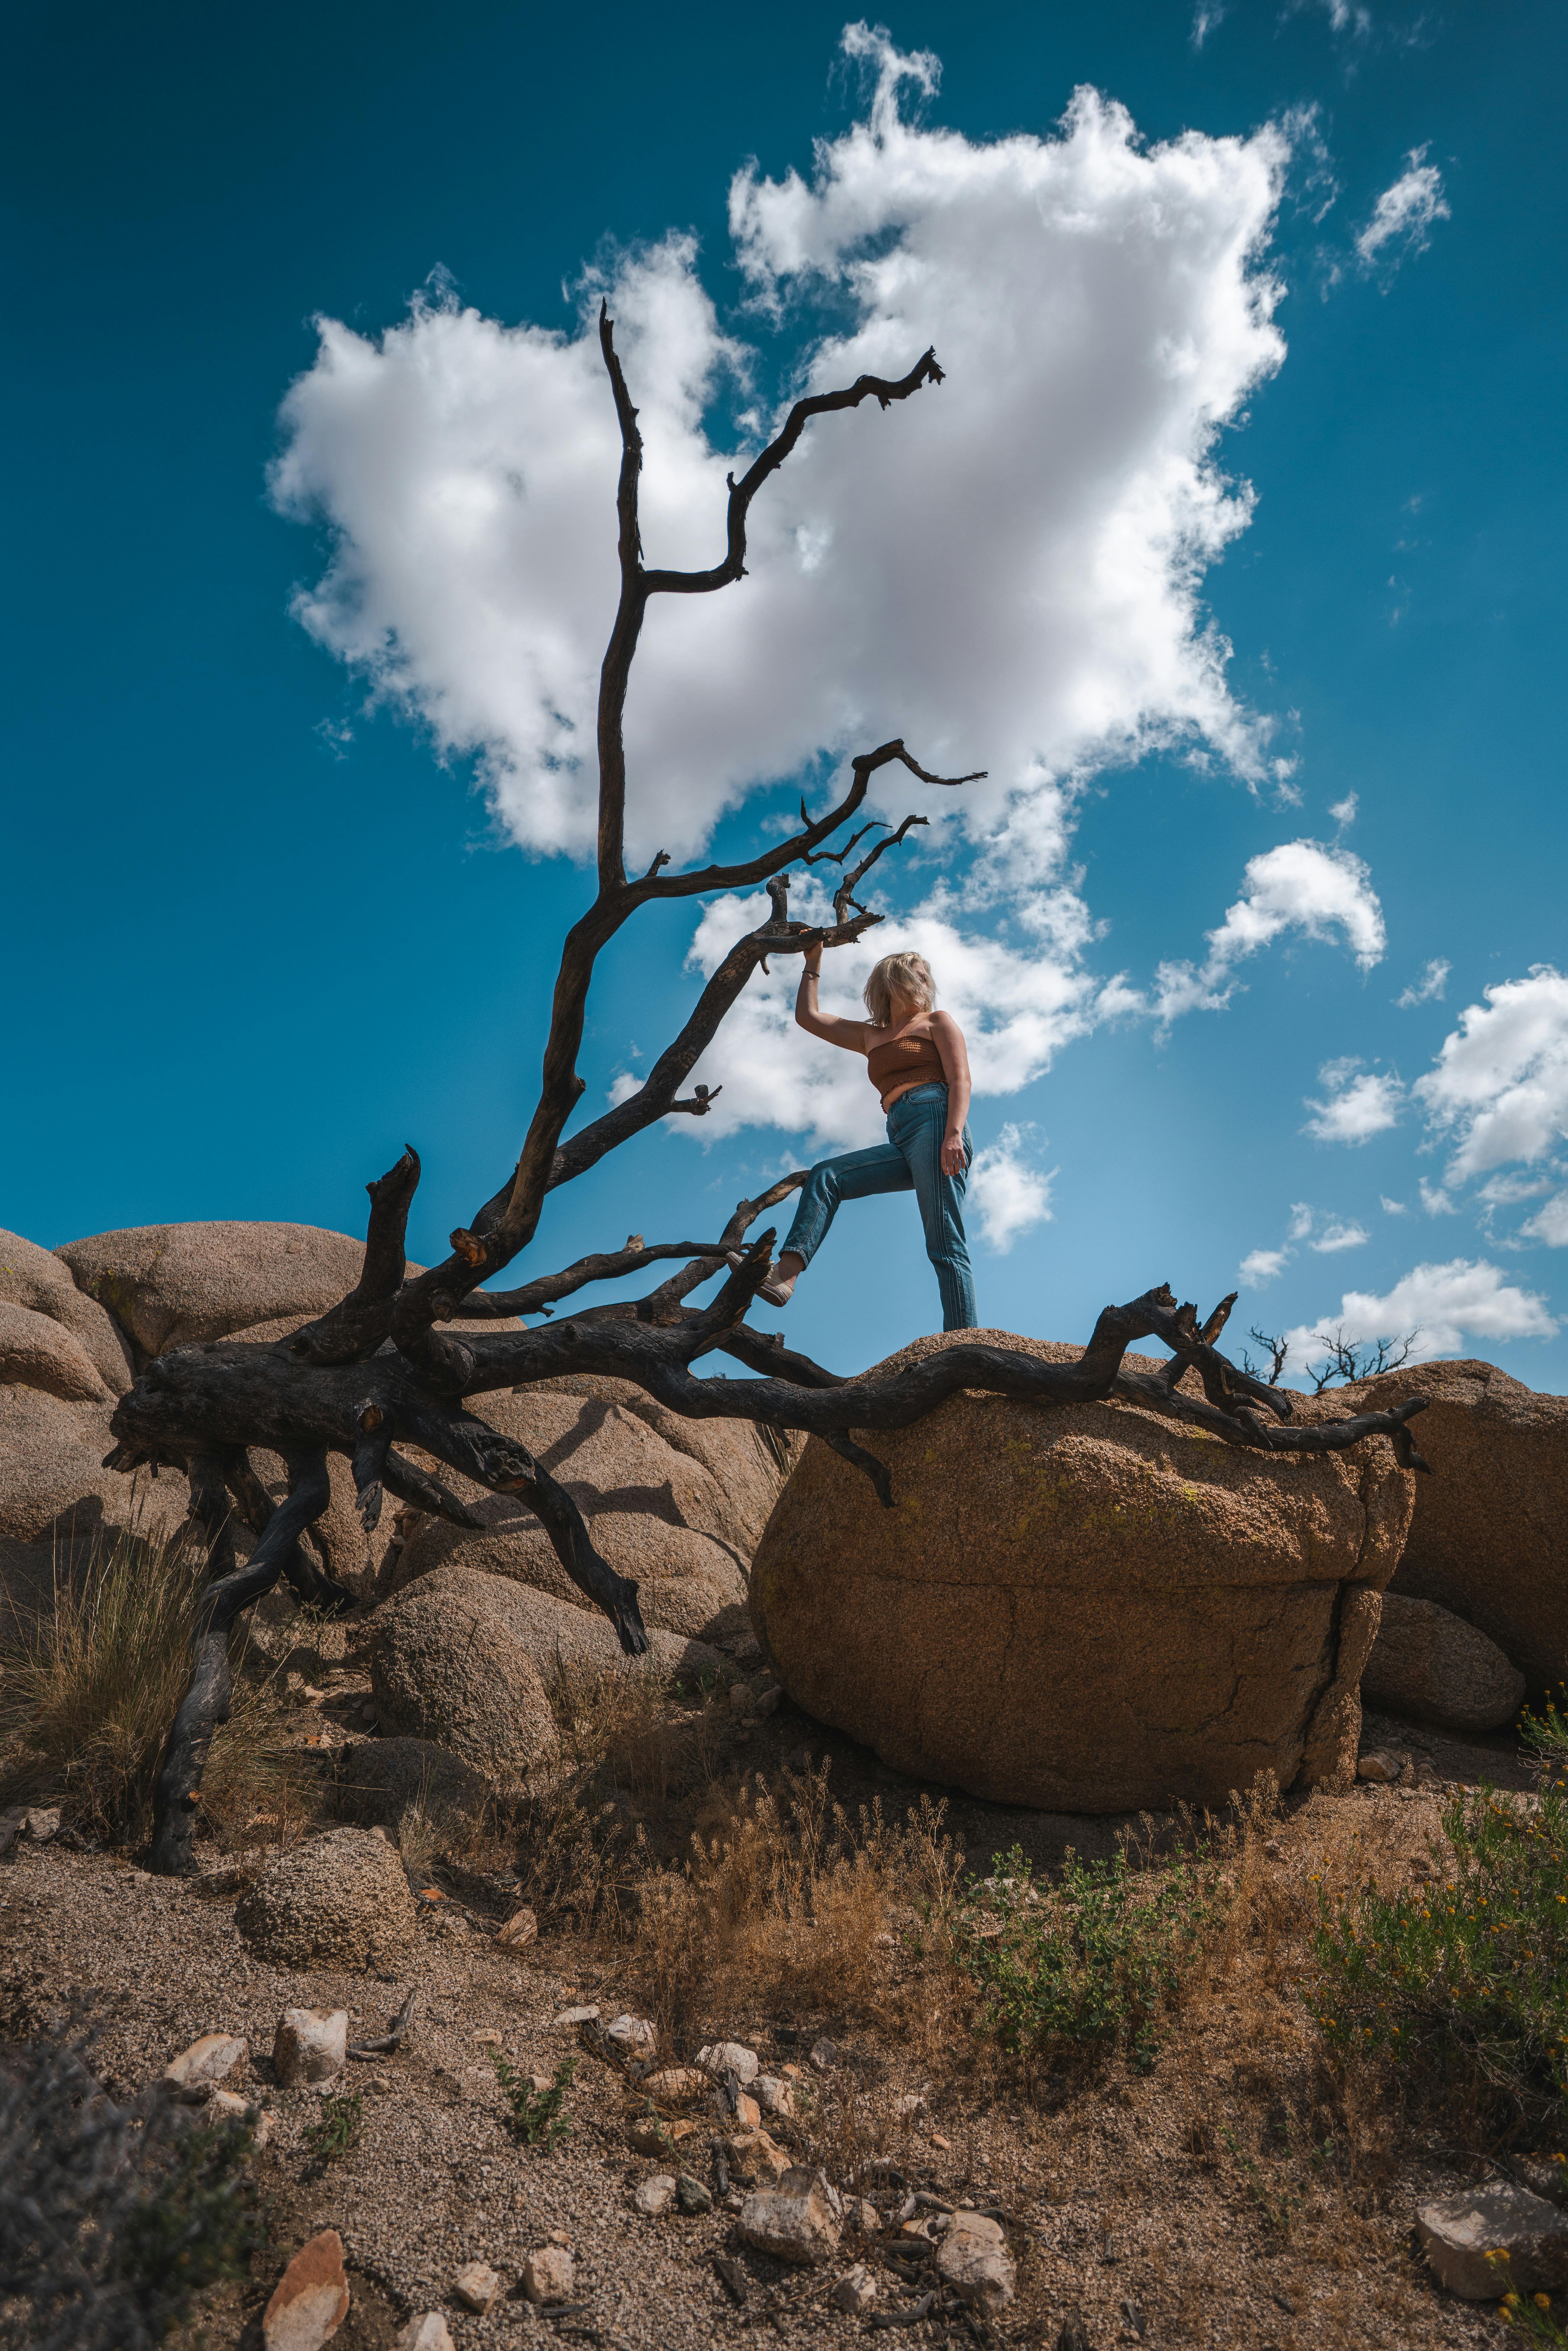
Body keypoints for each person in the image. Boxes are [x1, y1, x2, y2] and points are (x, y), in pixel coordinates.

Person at [732, 946, 977, 1331]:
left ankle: (965, 1342)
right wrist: (813, 963)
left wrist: (954, 1134)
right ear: (895, 980)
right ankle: (784, 1277)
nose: (927, 982)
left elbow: (961, 1080)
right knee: (828, 1175)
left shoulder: (937, 1022)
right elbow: (809, 1018)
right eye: (920, 973)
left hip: (937, 1120)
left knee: (944, 1242)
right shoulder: (870, 1036)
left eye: (927, 976)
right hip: (900, 1132)